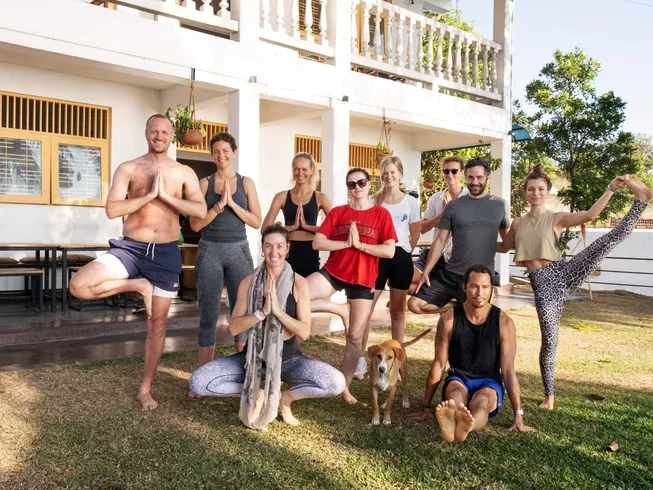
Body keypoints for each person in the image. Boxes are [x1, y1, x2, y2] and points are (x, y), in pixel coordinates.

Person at [69, 114, 207, 410]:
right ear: (146, 133)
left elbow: (201, 211)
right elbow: (112, 209)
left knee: (157, 324)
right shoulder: (129, 168)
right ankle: (138, 284)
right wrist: (148, 197)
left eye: (164, 131)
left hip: (166, 252)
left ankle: (145, 389)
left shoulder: (184, 172)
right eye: (154, 131)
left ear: (172, 136)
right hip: (131, 248)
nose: (159, 135)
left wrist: (166, 197)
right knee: (79, 286)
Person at [497, 167, 653, 410]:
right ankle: (549, 395)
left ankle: (641, 201)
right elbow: (503, 247)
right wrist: (470, 234)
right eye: (531, 189)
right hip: (544, 286)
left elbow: (591, 215)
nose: (535, 193)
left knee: (608, 240)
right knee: (550, 340)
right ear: (525, 193)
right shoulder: (518, 224)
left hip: (564, 271)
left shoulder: (556, 218)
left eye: (540, 189)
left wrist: (610, 189)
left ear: (547, 192)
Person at [189, 224, 345, 430]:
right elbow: (234, 328)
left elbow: (304, 331)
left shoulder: (299, 284)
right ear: (262, 249)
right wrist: (261, 313)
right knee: (198, 382)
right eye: (269, 246)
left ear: (287, 248)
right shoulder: (249, 283)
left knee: (335, 382)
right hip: (251, 359)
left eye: (280, 246)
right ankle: (256, 392)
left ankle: (285, 398)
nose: (274, 252)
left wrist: (278, 312)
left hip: (289, 359)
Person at [409, 265, 535, 441]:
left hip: (489, 382)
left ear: (491, 289)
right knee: (455, 397)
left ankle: (467, 426)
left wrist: (518, 414)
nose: (479, 292)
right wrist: (425, 407)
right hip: (458, 378)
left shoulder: (504, 323)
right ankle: (454, 420)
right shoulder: (448, 319)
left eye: (485, 287)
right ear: (464, 287)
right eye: (474, 286)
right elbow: (439, 363)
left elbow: (508, 371)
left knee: (481, 401)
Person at [307, 167, 397, 404]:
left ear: (369, 184)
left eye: (361, 182)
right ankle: (338, 309)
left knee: (355, 337)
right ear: (348, 188)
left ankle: (344, 386)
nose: (357, 187)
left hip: (363, 279)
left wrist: (361, 246)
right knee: (297, 295)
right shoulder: (338, 212)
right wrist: (346, 244)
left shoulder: (381, 214)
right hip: (334, 272)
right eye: (351, 184)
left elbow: (389, 250)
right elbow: (317, 242)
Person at [189, 132, 262, 378]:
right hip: (210, 250)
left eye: (225, 151)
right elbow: (195, 225)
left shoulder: (246, 183)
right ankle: (203, 375)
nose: (221, 155)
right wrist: (219, 205)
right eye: (216, 152)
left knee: (241, 313)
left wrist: (232, 204)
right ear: (212, 155)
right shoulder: (205, 183)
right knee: (208, 314)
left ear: (234, 153)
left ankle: (244, 373)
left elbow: (256, 221)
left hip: (238, 251)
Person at [408, 157, 509, 315]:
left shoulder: (499, 205)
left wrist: (485, 242)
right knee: (415, 304)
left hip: (478, 278)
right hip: (450, 274)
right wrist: (426, 271)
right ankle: (462, 307)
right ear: (466, 177)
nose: (474, 182)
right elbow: (440, 240)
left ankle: (469, 308)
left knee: (473, 321)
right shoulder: (453, 206)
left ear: (488, 178)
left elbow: (506, 244)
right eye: (471, 177)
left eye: (479, 177)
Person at [355, 156, 420, 379]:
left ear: (400, 174)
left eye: (393, 172)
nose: (389, 176)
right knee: (366, 310)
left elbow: (415, 233)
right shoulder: (374, 201)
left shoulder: (411, 202)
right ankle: (361, 360)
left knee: (397, 312)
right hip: (377, 257)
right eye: (385, 172)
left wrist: (404, 252)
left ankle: (396, 364)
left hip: (401, 258)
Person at [262, 152, 332, 278]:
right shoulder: (281, 196)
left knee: (307, 289)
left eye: (304, 169)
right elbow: (264, 229)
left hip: (310, 252)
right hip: (286, 250)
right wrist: (290, 228)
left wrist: (307, 227)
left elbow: (335, 230)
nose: (300, 173)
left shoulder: (320, 197)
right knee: (284, 288)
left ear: (312, 170)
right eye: (296, 169)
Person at [411, 155, 469, 292]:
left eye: (454, 171)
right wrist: (442, 213)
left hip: (456, 260)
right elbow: (422, 228)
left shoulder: (469, 198)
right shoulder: (436, 198)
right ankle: (434, 292)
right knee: (397, 278)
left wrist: (450, 211)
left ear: (462, 173)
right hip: (434, 256)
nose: (450, 175)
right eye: (446, 171)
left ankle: (436, 294)